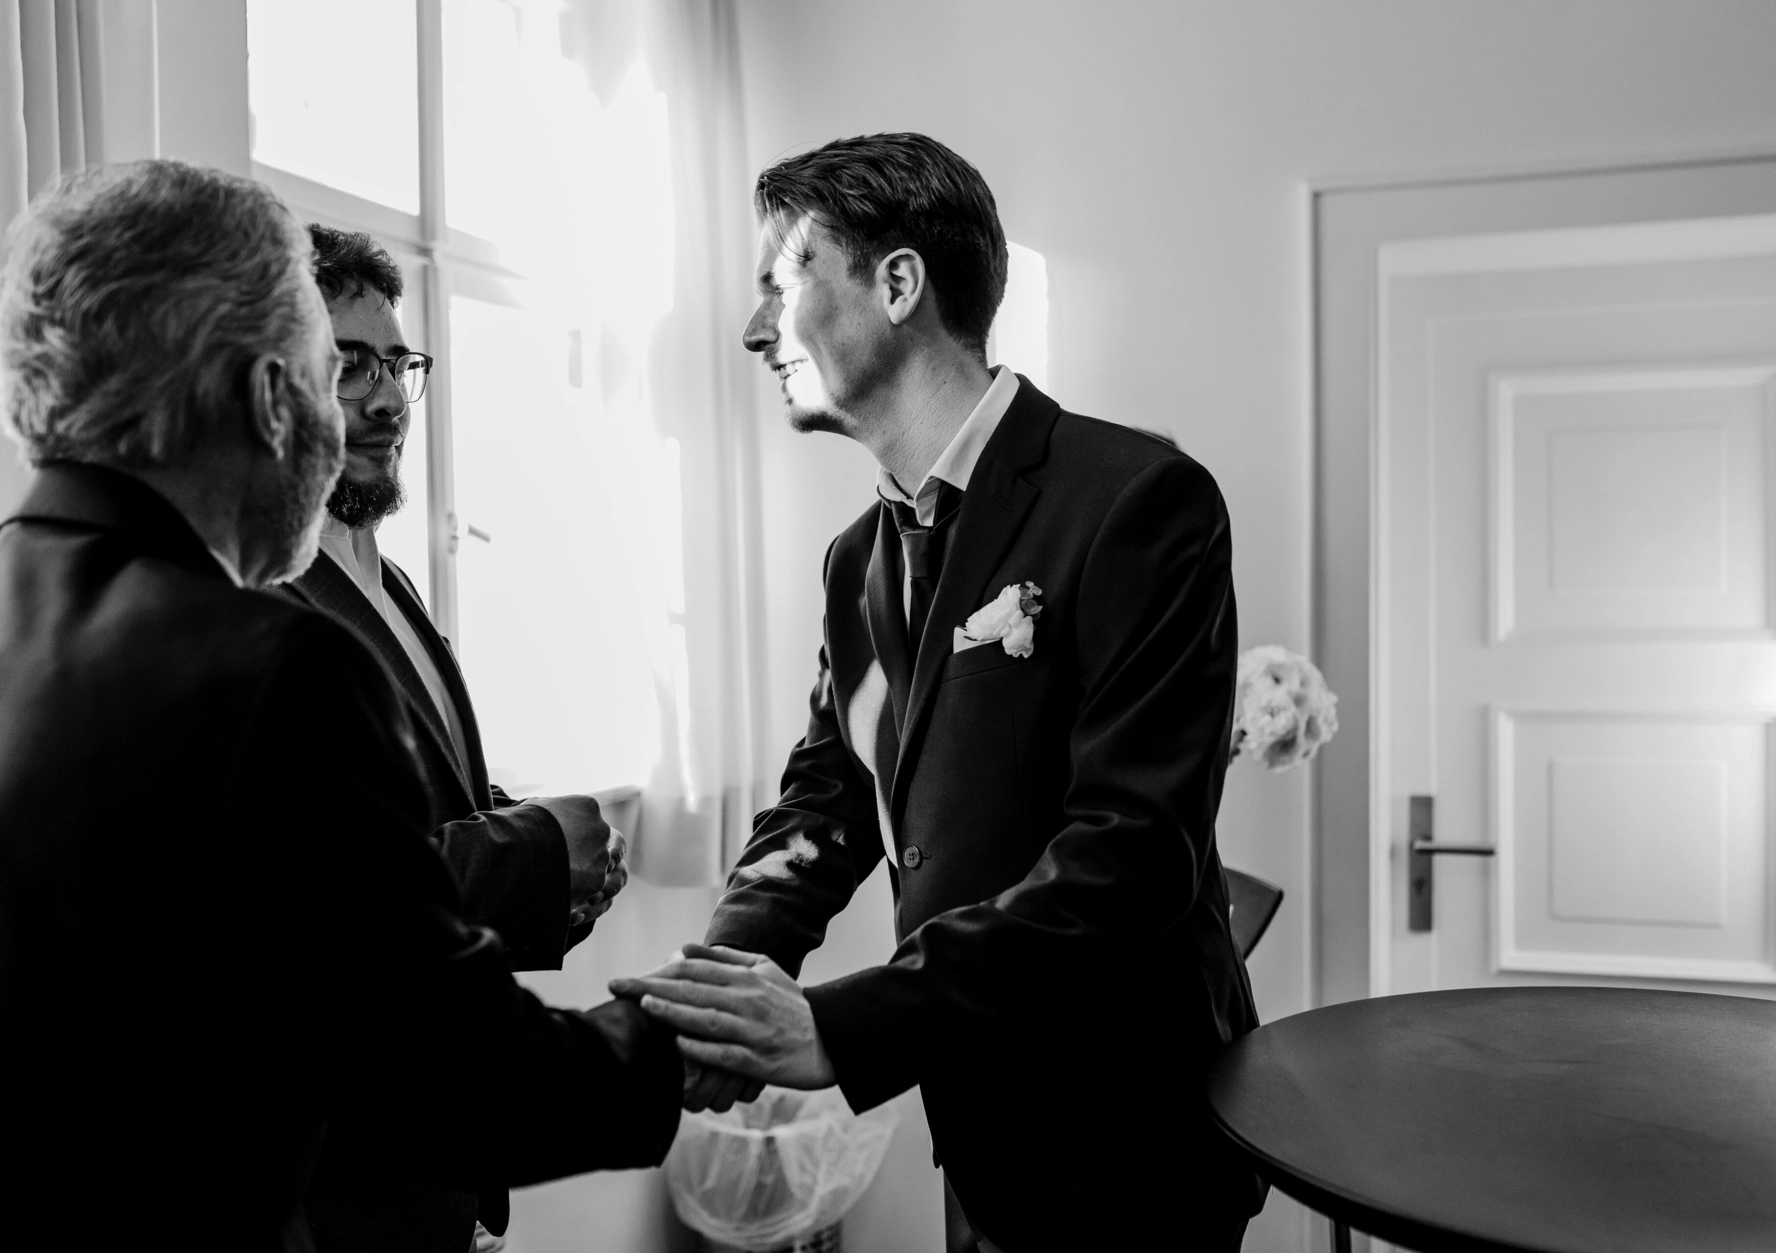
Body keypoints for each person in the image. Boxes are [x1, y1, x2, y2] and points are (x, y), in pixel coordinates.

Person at [0, 159, 679, 1253]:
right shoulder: (266, 664)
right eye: (327, 372)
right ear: (274, 397)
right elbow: (454, 1072)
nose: (353, 407)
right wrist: (674, 1040)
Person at [615, 133, 1263, 1252]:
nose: (755, 326)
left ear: (899, 282)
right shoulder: (852, 558)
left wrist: (838, 1025)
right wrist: (726, 985)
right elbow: (822, 804)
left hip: (1126, 1129)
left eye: (782, 281)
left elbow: (1129, 856)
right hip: (975, 1114)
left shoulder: (1137, 499)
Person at [278, 225, 624, 1251]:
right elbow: (329, 890)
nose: (386, 397)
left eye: (398, 363)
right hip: (344, 1185)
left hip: (441, 1152)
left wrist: (546, 865)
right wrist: (540, 855)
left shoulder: (394, 586)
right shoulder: (264, 606)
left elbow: (417, 809)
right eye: (348, 364)